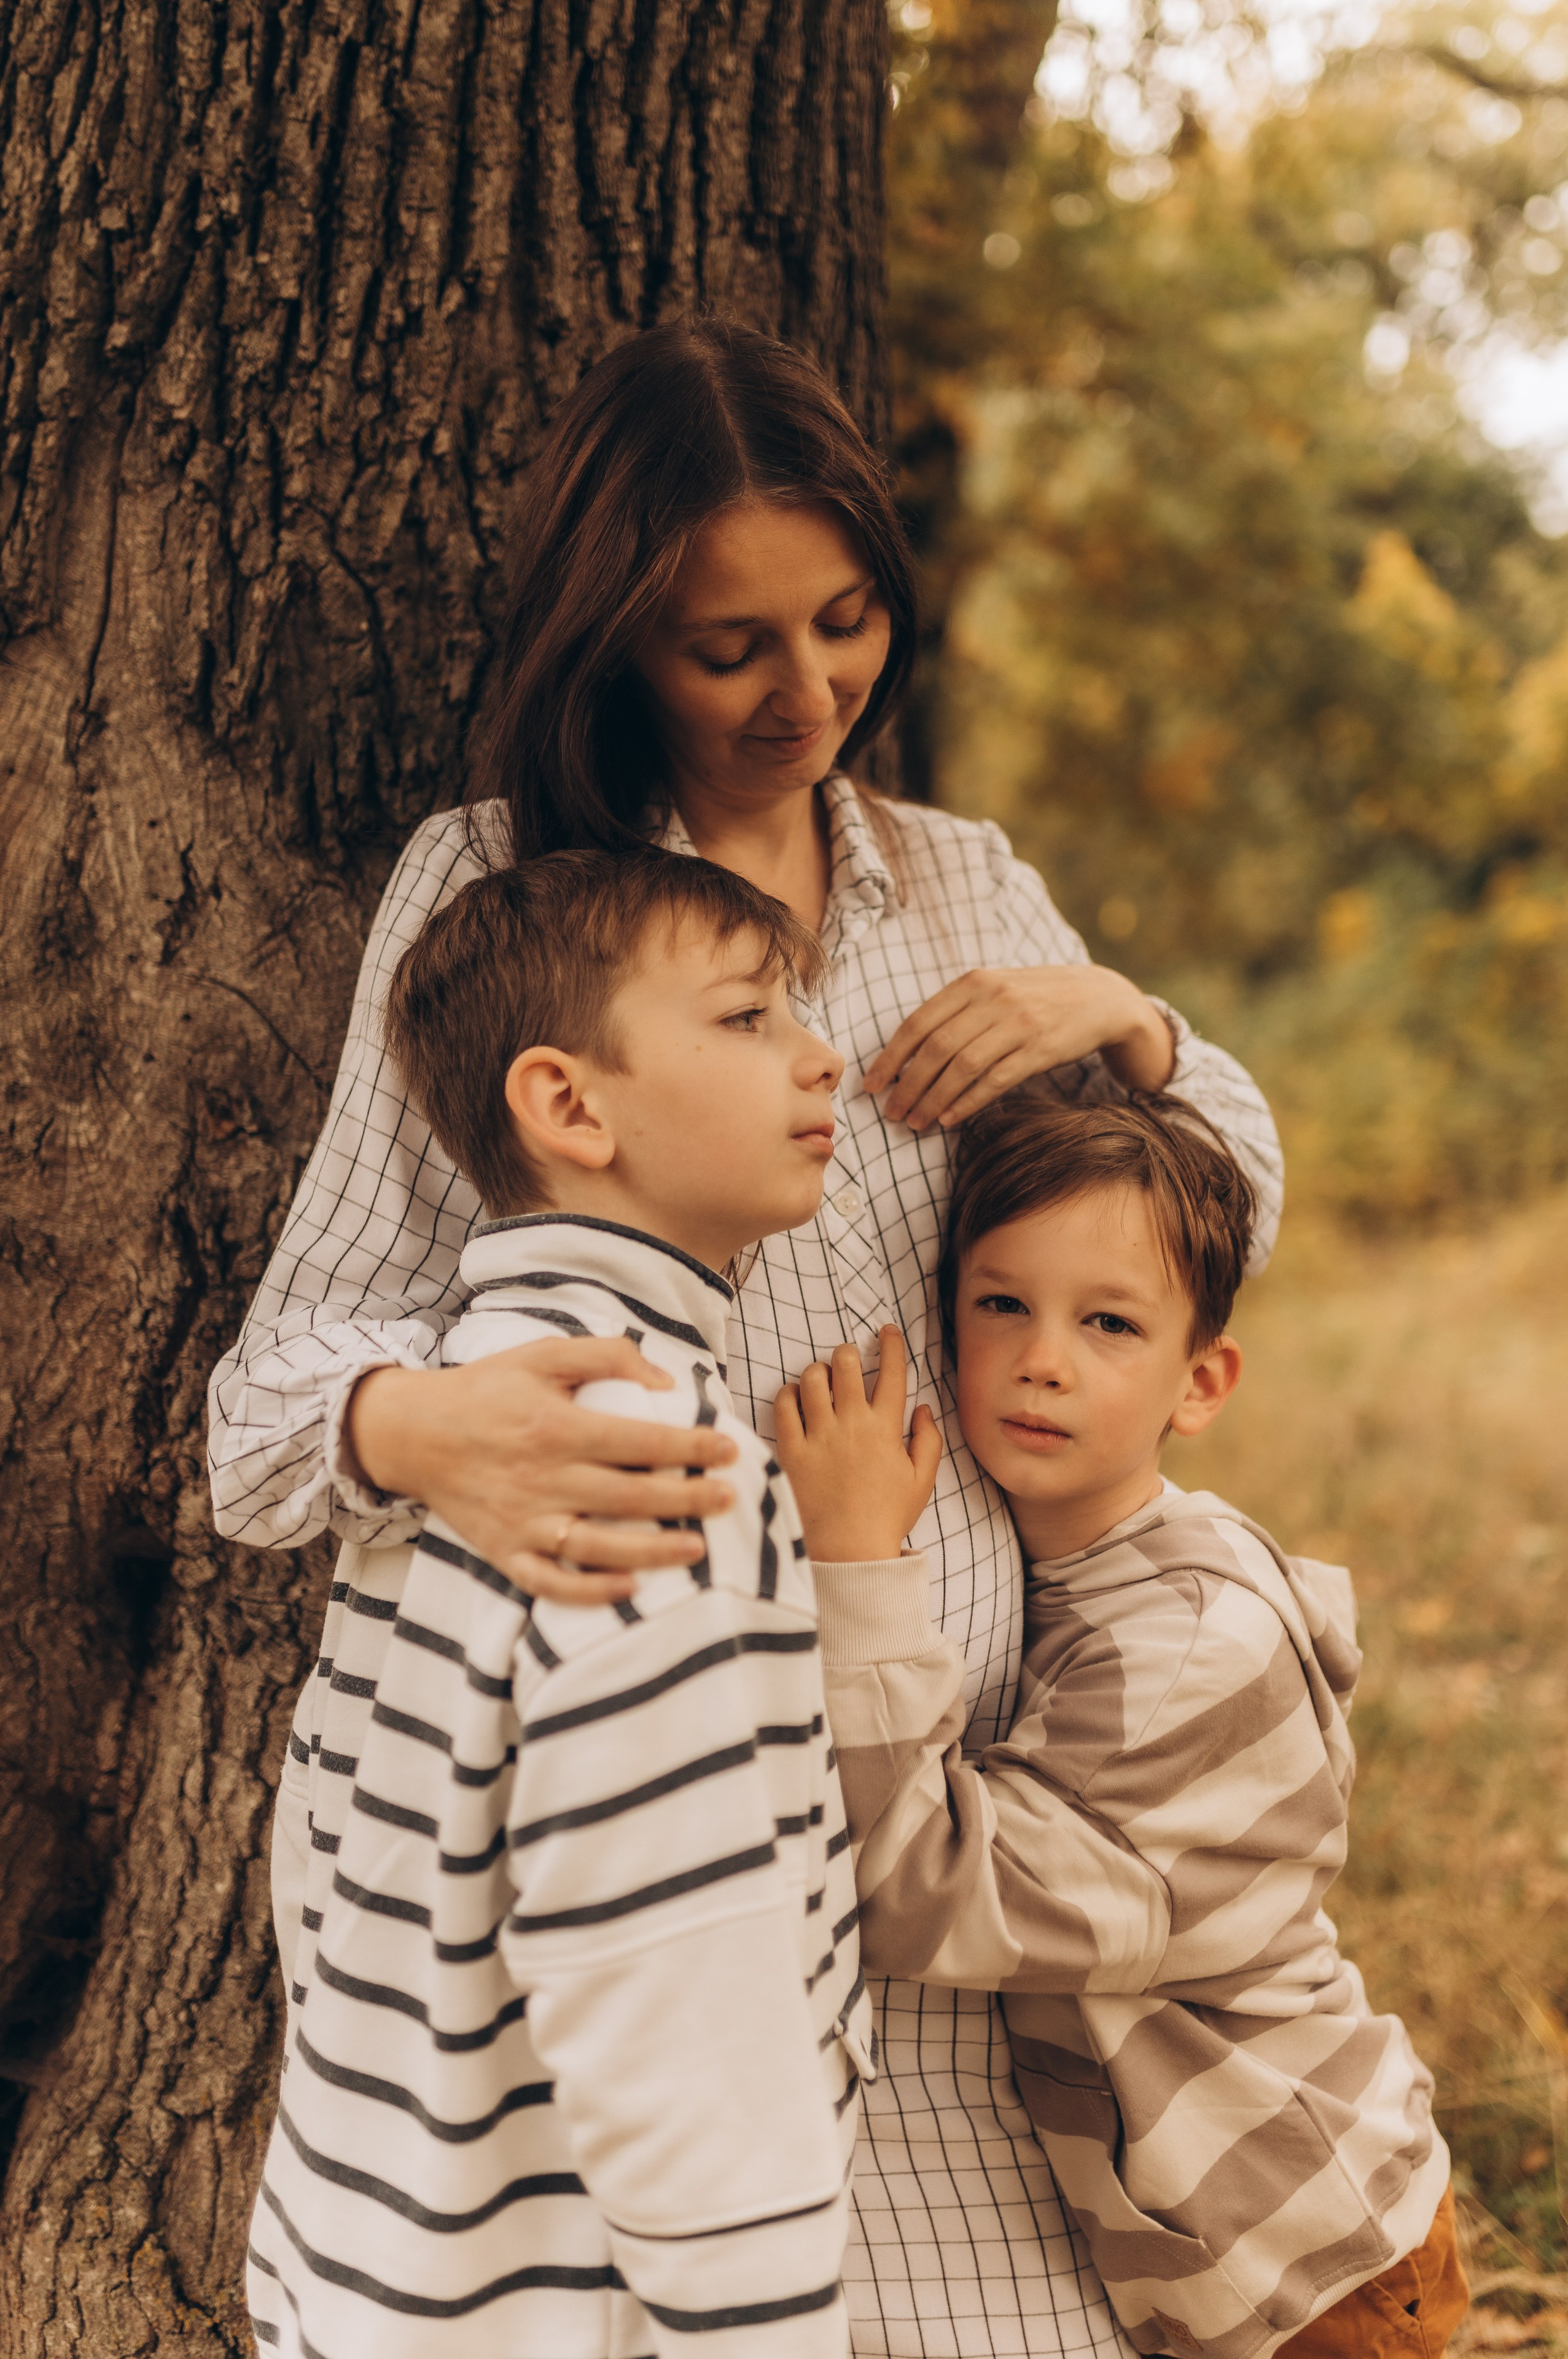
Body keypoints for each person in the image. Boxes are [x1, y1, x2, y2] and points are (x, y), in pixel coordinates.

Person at [211, 317, 1285, 2358]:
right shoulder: (513, 900)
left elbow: (1222, 1232)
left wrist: (1130, 1032)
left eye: (851, 622)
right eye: (733, 650)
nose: (811, 697)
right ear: (616, 638)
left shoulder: (960, 886)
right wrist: (428, 1425)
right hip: (685, 1855)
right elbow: (264, 1416)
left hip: (974, 1855)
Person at [250, 846, 885, 2359]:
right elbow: (668, 1984)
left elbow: (325, 1858)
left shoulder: (457, 1425)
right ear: (570, 1106)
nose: (821, 1051)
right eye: (745, 1018)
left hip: (368, 2273)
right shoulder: (642, 1453)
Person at [775, 1090, 1466, 2359]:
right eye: (1001, 1306)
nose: (1043, 1357)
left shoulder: (1192, 1649)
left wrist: (857, 1563)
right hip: (1223, 2254)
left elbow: (929, 1894)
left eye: (1106, 1323)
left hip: (1308, 2254)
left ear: (1197, 1384)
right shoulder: (1083, 1570)